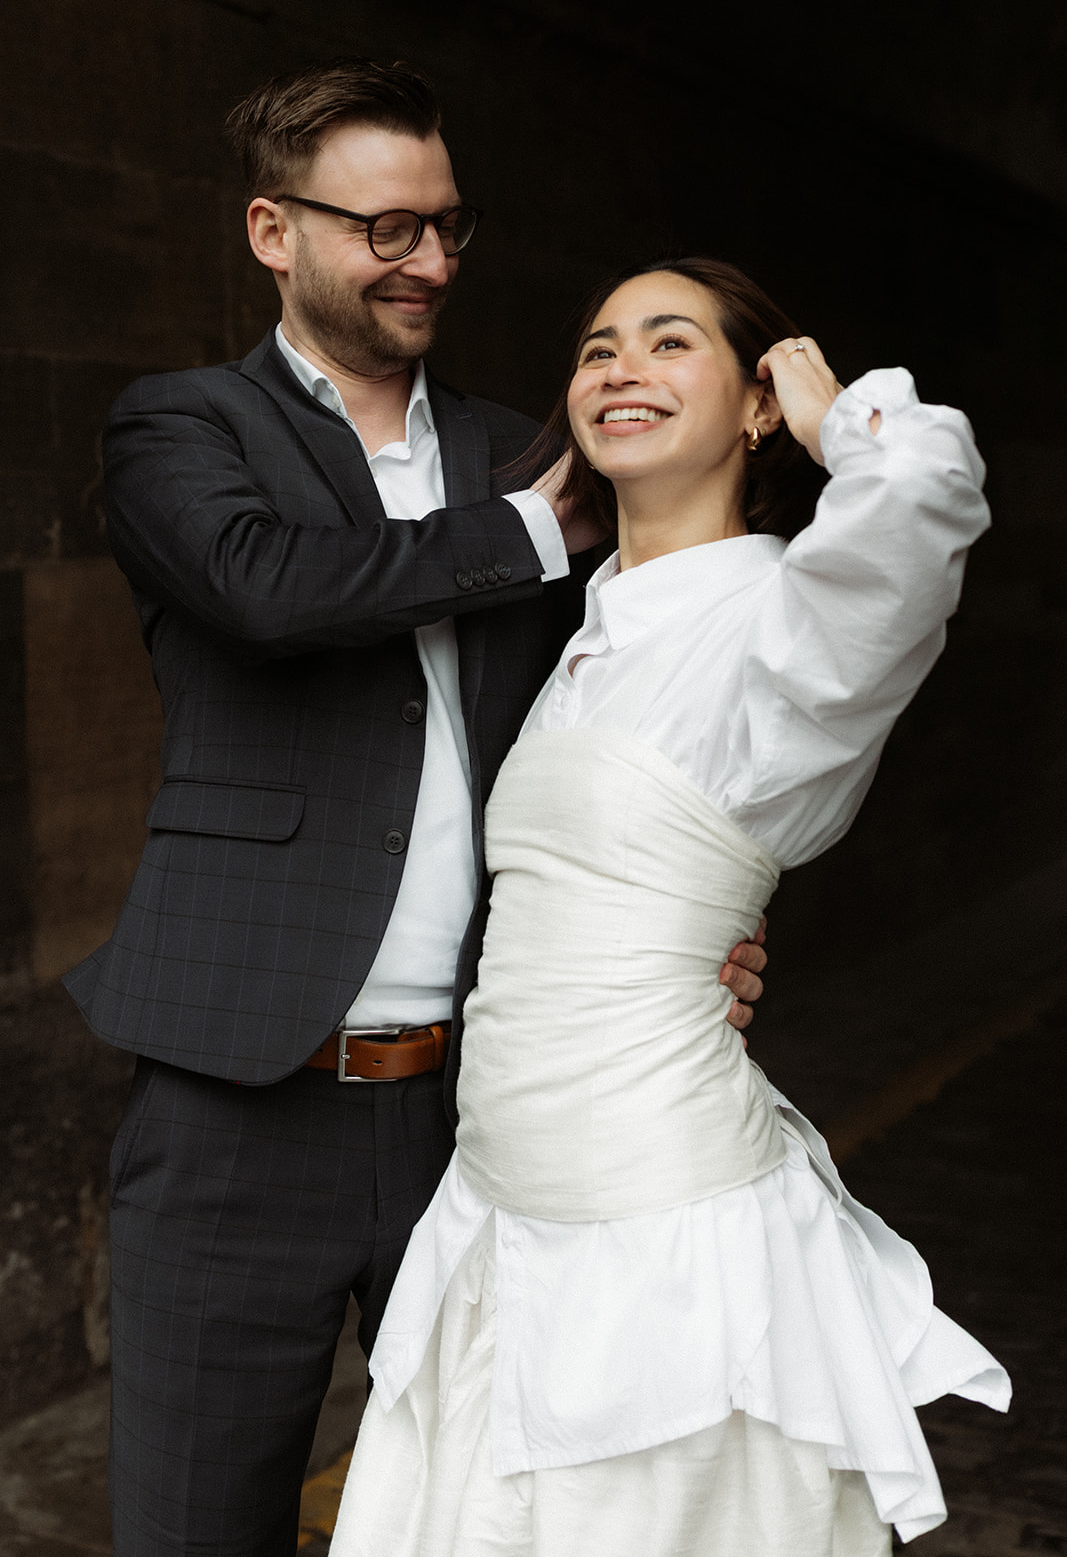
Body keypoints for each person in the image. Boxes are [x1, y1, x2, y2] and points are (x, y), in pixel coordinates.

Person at [61, 62, 766, 1555]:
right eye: (388, 232)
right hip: (234, 1100)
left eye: (449, 227)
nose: (432, 262)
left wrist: (709, 922)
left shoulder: (531, 446)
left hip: (489, 1105)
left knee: (495, 1520)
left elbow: (680, 698)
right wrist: (528, 532)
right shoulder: (181, 430)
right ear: (274, 231)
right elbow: (266, 592)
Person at [329, 258, 1012, 1557]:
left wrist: (836, 415)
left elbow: (927, 498)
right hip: (500, 1208)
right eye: (596, 348)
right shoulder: (587, 627)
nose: (619, 367)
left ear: (753, 404)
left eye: (667, 342)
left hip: (657, 1223)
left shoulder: (786, 611)